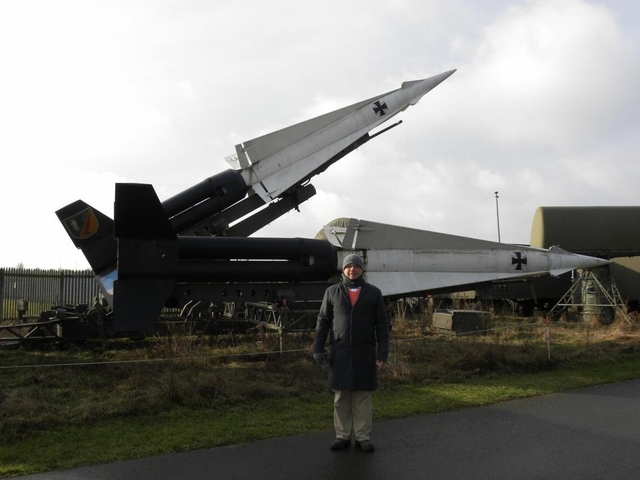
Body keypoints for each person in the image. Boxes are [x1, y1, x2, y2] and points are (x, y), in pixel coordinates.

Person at [313, 253, 389, 452]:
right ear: (343, 270)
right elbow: (322, 322)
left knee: (363, 397)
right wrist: (318, 349)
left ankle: (363, 437)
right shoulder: (332, 292)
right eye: (348, 267)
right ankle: (343, 436)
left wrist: (382, 354)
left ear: (362, 269)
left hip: (365, 352)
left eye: (356, 266)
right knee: (341, 397)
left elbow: (382, 325)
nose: (352, 269)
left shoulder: (373, 293)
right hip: (340, 352)